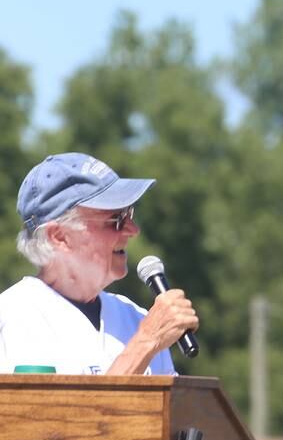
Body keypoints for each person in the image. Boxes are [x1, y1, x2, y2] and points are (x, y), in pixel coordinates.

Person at [0, 152, 199, 375]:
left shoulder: (136, 317)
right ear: (59, 236)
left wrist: (148, 337)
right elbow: (67, 412)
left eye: (129, 213)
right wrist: (144, 343)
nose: (133, 230)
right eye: (115, 220)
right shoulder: (10, 319)